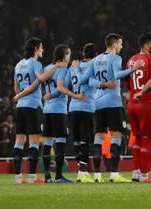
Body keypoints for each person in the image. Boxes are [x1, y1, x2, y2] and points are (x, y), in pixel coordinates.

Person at [88, 33, 142, 183]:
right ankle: (114, 174)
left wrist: (102, 85)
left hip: (98, 104)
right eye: (120, 43)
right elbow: (118, 74)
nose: (121, 46)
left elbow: (85, 80)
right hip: (113, 102)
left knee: (98, 136)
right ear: (114, 45)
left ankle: (97, 175)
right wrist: (133, 68)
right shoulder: (116, 58)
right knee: (116, 135)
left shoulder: (96, 59)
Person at [11, 37, 63, 184]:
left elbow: (16, 87)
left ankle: (18, 177)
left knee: (19, 141)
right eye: (41, 47)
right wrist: (56, 67)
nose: (42, 50)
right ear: (35, 49)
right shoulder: (35, 63)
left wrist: (19, 96)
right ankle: (33, 176)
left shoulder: (18, 64)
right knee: (33, 141)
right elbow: (40, 79)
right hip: (33, 106)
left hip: (20, 106)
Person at [125, 33, 151, 183]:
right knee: (147, 138)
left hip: (131, 103)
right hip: (146, 103)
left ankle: (136, 172)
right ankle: (144, 174)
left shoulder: (131, 60)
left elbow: (126, 83)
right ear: (146, 45)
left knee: (136, 138)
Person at [40, 44, 80, 183]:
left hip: (47, 110)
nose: (69, 57)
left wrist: (46, 96)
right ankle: (58, 176)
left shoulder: (46, 68)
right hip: (58, 109)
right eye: (68, 54)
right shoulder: (63, 68)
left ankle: (46, 176)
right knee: (61, 141)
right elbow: (60, 87)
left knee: (47, 142)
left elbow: (43, 84)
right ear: (63, 55)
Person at [67, 44, 98, 182]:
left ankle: (81, 170)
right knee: (85, 141)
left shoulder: (73, 66)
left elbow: (64, 85)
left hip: (73, 106)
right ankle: (82, 172)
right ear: (95, 54)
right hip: (87, 106)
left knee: (77, 141)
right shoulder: (94, 65)